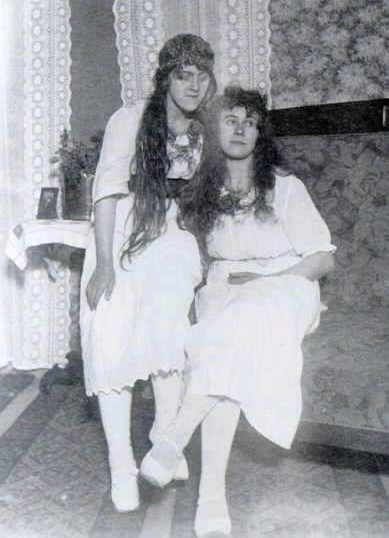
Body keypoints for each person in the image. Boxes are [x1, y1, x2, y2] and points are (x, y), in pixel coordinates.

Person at [140, 86, 336, 537]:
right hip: (226, 287)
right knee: (227, 343)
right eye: (230, 120)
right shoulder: (202, 191)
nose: (241, 129)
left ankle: (175, 438)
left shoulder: (284, 187)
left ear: (260, 134)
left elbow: (323, 259)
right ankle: (211, 496)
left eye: (251, 122)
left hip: (287, 285)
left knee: (239, 326)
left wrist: (269, 280)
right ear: (214, 130)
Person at [79, 34, 216, 513]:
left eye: (202, 76)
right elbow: (106, 190)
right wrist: (103, 264)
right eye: (183, 75)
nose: (194, 85)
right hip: (120, 235)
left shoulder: (204, 130)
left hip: (169, 234)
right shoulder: (132, 118)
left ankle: (163, 431)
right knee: (111, 333)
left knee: (170, 320)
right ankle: (121, 463)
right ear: (165, 79)